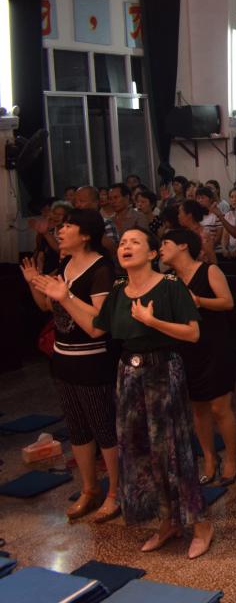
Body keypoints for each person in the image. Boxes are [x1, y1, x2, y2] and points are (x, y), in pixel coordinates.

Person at [38, 228, 213, 557]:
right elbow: (94, 328)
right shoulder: (119, 290)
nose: (126, 246)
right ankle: (167, 522)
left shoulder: (170, 287)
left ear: (151, 254)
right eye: (122, 243)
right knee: (138, 451)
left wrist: (153, 321)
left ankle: (200, 524)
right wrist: (65, 297)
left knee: (172, 450)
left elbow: (192, 334)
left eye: (135, 242)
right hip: (128, 373)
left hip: (163, 371)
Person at [22, 209, 121, 523]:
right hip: (63, 357)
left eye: (68, 225)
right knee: (77, 430)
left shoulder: (101, 268)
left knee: (104, 429)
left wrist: (64, 297)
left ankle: (115, 493)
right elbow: (46, 307)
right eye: (60, 225)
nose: (60, 230)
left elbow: (97, 326)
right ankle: (89, 489)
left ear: (86, 234)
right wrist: (33, 283)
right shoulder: (64, 263)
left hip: (93, 359)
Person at [159, 229, 236, 487]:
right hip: (185, 347)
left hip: (214, 345)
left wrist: (198, 300)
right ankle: (208, 458)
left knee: (219, 407)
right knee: (198, 407)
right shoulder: (168, 279)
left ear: (183, 246)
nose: (161, 248)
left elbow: (227, 303)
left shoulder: (208, 271)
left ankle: (232, 458)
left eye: (166, 243)